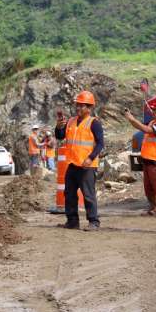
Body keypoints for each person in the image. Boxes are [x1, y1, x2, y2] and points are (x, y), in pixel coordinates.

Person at [55, 91, 104, 232]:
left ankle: (94, 221)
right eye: (77, 105)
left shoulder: (94, 123)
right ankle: (72, 221)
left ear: (89, 108)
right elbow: (59, 136)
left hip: (87, 166)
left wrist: (90, 158)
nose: (78, 108)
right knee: (69, 193)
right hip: (73, 164)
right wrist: (58, 127)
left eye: (81, 106)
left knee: (88, 194)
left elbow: (100, 144)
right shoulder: (70, 121)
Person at [123, 102, 156, 216]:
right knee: (149, 188)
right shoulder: (153, 122)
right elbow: (142, 128)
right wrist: (131, 120)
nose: (153, 112)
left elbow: (147, 130)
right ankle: (155, 207)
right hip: (148, 159)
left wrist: (132, 119)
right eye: (153, 110)